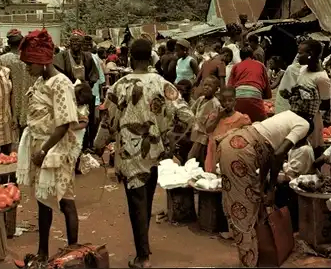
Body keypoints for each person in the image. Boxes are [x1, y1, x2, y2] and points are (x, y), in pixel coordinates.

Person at [94, 38, 194, 268]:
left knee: (136, 203)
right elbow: (187, 115)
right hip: (154, 151)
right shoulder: (161, 83)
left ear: (130, 59)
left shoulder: (120, 85)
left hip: (129, 153)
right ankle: (144, 246)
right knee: (146, 200)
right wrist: (170, 136)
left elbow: (107, 121)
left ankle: (143, 256)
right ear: (150, 59)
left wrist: (99, 145)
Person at [15, 29, 83, 265]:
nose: (27, 69)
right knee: (43, 200)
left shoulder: (61, 84)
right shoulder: (40, 81)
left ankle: (74, 253)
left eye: (30, 64)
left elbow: (64, 124)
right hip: (39, 149)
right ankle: (43, 252)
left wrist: (43, 150)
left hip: (57, 150)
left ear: (43, 61)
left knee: (65, 200)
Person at [216, 110, 311, 267]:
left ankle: (254, 257)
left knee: (249, 203)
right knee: (242, 211)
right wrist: (271, 188)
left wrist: (262, 186)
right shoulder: (304, 125)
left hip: (234, 145)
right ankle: (249, 263)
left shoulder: (286, 115)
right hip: (241, 152)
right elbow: (278, 154)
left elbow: (268, 154)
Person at [281, 40, 331, 149]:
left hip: (311, 121)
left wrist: (308, 105)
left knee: (306, 150)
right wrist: (291, 96)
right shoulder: (303, 69)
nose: (298, 56)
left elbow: (326, 104)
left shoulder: (321, 78)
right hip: (297, 117)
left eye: (300, 53)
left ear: (311, 54)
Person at [204, 87, 251, 173]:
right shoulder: (215, 116)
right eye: (224, 101)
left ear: (235, 102)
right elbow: (208, 129)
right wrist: (218, 117)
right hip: (213, 152)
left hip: (230, 154)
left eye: (230, 100)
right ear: (220, 101)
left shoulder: (241, 118)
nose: (227, 103)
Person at [0, 29, 33, 136]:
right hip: (27, 97)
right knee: (25, 131)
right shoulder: (29, 58)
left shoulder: (3, 59)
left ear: (9, 43)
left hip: (10, 97)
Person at [228, 46, 272, 122]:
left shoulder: (236, 66)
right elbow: (268, 92)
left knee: (237, 122)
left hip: (238, 96)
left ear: (240, 57)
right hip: (255, 95)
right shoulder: (261, 65)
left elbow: (229, 88)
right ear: (252, 56)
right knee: (263, 123)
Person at [188, 76, 221, 164]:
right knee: (196, 159)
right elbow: (191, 112)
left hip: (203, 136)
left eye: (210, 86)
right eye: (205, 85)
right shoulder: (200, 99)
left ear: (216, 89)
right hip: (194, 132)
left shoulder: (216, 104)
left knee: (192, 158)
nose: (206, 87)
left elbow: (213, 123)